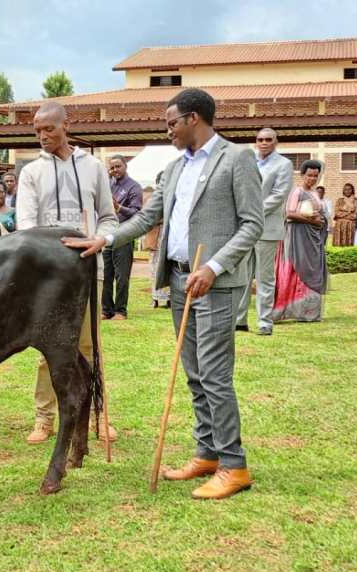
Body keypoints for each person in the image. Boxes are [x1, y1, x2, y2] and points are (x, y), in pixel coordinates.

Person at [63, 88, 263, 499]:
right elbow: (147, 218)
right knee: (194, 373)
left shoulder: (236, 158)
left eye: (171, 122)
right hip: (178, 280)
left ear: (193, 119)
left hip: (216, 283)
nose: (167, 130)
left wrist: (214, 266)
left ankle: (234, 465)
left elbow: (251, 224)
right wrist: (106, 239)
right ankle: (206, 453)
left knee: (214, 375)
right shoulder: (174, 169)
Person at [16, 101, 119, 445]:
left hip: (89, 268)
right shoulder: (31, 173)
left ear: (66, 126)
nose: (42, 136)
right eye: (37, 131)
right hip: (48, 276)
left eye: (49, 129)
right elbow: (26, 227)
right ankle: (44, 418)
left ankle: (95, 417)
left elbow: (108, 217)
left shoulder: (94, 168)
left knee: (89, 347)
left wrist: (100, 239)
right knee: (50, 348)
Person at [235, 128, 293, 336]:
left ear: (276, 142)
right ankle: (239, 319)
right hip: (244, 228)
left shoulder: (284, 164)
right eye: (260, 139)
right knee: (241, 275)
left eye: (268, 139)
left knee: (264, 277)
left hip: (267, 229)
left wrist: (253, 212)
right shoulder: (248, 161)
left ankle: (264, 321)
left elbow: (279, 195)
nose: (264, 143)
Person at [272, 160, 328, 323]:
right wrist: (312, 221)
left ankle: (309, 312)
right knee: (298, 268)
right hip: (298, 237)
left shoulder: (315, 193)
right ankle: (287, 309)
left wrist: (320, 220)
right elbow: (289, 213)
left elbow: (319, 212)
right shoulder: (296, 192)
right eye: (309, 175)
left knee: (312, 270)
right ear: (302, 175)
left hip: (313, 238)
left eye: (315, 176)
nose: (312, 179)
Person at [102, 154, 142, 321]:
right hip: (106, 235)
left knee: (121, 275)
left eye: (118, 166)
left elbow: (137, 213)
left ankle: (120, 311)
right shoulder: (108, 186)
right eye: (112, 167)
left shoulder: (134, 187)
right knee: (105, 274)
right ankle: (106, 310)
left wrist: (119, 207)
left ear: (125, 166)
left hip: (124, 235)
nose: (114, 170)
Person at [144, 172, 170, 309]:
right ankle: (156, 299)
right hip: (155, 238)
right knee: (155, 269)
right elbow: (147, 216)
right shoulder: (152, 199)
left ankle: (169, 299)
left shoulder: (173, 197)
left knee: (169, 268)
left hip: (169, 238)